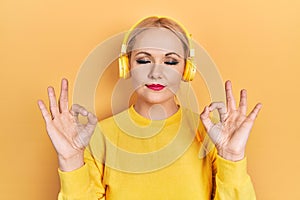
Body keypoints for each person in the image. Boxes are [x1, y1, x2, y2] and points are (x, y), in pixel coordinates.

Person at [37, 16, 262, 199]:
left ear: (187, 70)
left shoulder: (211, 133)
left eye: (171, 61)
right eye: (144, 60)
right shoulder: (98, 137)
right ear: (126, 67)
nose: (156, 72)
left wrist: (232, 156)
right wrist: (70, 160)